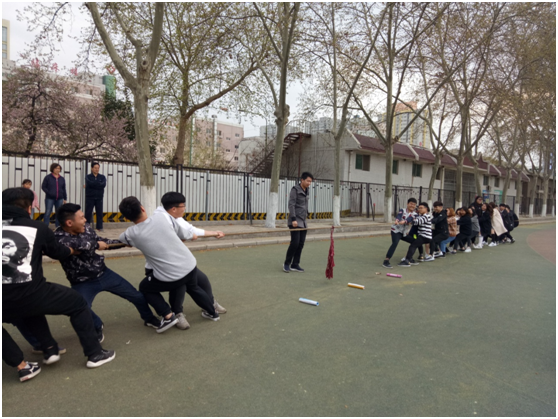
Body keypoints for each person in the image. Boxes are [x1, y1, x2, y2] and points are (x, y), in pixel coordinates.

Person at [2, 188, 115, 383]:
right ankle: (95, 353)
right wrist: (72, 250)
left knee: (26, 310)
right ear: (29, 208)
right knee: (78, 304)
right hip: (32, 292)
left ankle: (29, 362)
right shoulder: (37, 228)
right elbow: (57, 252)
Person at [54, 203, 162, 337]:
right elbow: (80, 245)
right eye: (81, 218)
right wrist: (96, 245)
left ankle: (149, 318)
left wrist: (124, 243)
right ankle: (97, 325)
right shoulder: (58, 238)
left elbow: (102, 242)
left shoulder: (86, 228)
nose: (85, 220)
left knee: (137, 296)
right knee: (81, 308)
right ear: (69, 223)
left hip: (104, 273)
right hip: (81, 282)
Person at [118, 196, 221, 328]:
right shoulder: (162, 217)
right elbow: (185, 234)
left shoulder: (130, 234)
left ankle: (168, 315)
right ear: (142, 208)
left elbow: (122, 240)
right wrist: (191, 236)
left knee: (145, 287)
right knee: (194, 287)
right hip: (189, 265)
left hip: (171, 274)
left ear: (127, 218)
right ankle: (213, 313)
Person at [151, 192, 227, 330]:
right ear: (174, 208)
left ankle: (210, 303)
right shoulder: (161, 219)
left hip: (180, 261)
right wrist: (186, 237)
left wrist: (214, 233)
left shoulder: (175, 216)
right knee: (180, 286)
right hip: (165, 264)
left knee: (202, 279)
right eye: (183, 206)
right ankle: (177, 314)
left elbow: (191, 230)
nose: (185, 208)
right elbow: (175, 238)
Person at [284, 172, 313, 273]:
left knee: (301, 244)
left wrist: (307, 213)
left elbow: (305, 204)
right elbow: (291, 205)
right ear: (302, 180)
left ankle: (295, 264)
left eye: (310, 181)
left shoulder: (307, 190)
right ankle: (286, 263)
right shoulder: (295, 190)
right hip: (295, 220)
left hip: (303, 221)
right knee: (295, 243)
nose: (309, 183)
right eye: (308, 181)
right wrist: (293, 219)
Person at [382, 198, 420, 269]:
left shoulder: (415, 214)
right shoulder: (402, 210)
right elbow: (399, 216)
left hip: (404, 233)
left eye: (414, 204)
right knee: (395, 243)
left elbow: (410, 219)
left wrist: (405, 221)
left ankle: (409, 258)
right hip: (396, 231)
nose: (412, 206)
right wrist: (397, 220)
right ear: (407, 204)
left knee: (415, 241)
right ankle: (386, 261)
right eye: (411, 204)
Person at [398, 202, 433, 267]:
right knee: (414, 244)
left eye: (421, 208)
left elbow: (417, 222)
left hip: (425, 236)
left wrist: (407, 221)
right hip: (423, 236)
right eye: (419, 208)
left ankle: (407, 260)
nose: (419, 209)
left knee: (413, 246)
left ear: (426, 209)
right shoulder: (421, 216)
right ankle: (410, 259)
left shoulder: (426, 216)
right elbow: (415, 221)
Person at [42, 163, 67, 228]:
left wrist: (65, 198)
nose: (57, 170)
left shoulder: (62, 178)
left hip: (59, 198)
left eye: (59, 168)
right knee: (48, 212)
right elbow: (43, 187)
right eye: (56, 168)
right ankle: (45, 227)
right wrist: (49, 192)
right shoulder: (48, 177)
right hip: (49, 198)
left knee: (58, 213)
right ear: (52, 169)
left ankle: (58, 226)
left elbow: (63, 189)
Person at [84, 162, 107, 232]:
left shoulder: (102, 177)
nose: (97, 169)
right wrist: (98, 184)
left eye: (98, 168)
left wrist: (95, 184)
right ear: (92, 168)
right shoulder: (88, 177)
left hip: (99, 197)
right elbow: (90, 183)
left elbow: (103, 185)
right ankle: (87, 227)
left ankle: (99, 227)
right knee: (88, 212)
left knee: (99, 212)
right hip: (90, 197)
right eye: (95, 168)